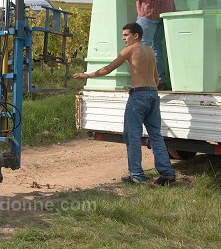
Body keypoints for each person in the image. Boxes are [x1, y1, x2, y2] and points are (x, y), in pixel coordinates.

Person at [73, 22, 176, 185]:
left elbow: (108, 69)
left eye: (126, 35)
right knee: (156, 135)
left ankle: (136, 175)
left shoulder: (130, 50)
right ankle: (167, 174)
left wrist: (86, 75)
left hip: (139, 96)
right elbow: (156, 80)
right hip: (153, 94)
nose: (124, 39)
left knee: (132, 136)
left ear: (136, 35)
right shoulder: (150, 51)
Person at [119, 0, 175, 91]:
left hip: (148, 10)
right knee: (157, 48)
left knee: (138, 48)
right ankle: (160, 81)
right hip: (165, 11)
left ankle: (141, 83)